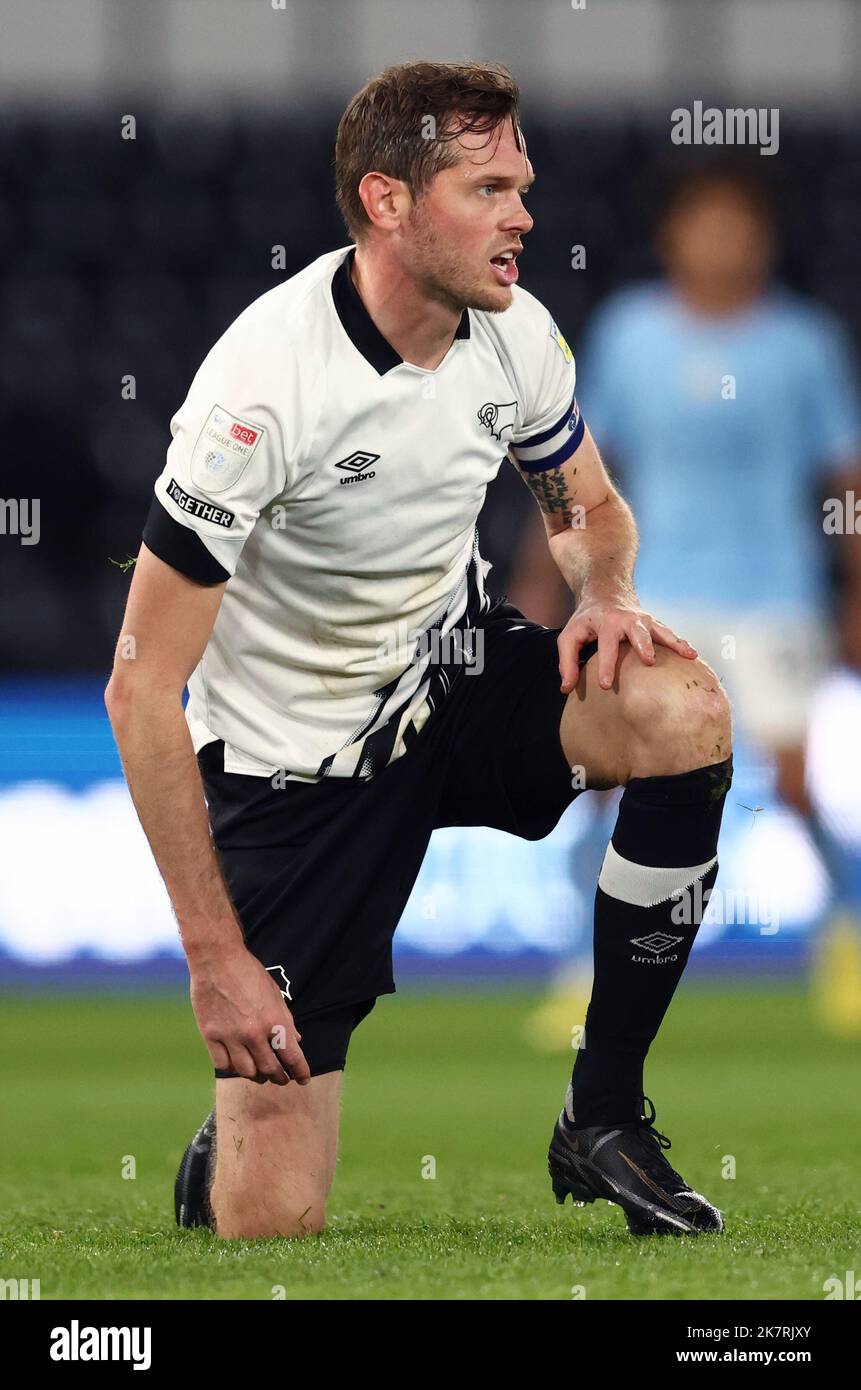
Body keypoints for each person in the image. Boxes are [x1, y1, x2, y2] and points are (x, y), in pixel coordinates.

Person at [105, 62, 733, 1241]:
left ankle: (600, 1116)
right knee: (271, 1224)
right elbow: (140, 686)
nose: (525, 216)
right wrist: (216, 959)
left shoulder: (515, 330)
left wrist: (607, 592)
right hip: (296, 770)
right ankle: (233, 1130)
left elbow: (589, 507)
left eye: (525, 185)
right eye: (489, 187)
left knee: (680, 709)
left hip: (453, 676)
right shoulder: (259, 391)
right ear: (389, 201)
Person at [518, 164, 861, 1042]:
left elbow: (844, 477)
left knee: (792, 787)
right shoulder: (632, 334)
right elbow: (581, 471)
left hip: (774, 592)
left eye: (737, 226)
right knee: (606, 784)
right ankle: (578, 967)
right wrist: (551, 579)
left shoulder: (802, 343)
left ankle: (845, 945)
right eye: (704, 224)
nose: (721, 242)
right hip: (649, 593)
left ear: (763, 239)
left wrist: (855, 591)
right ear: (673, 235)